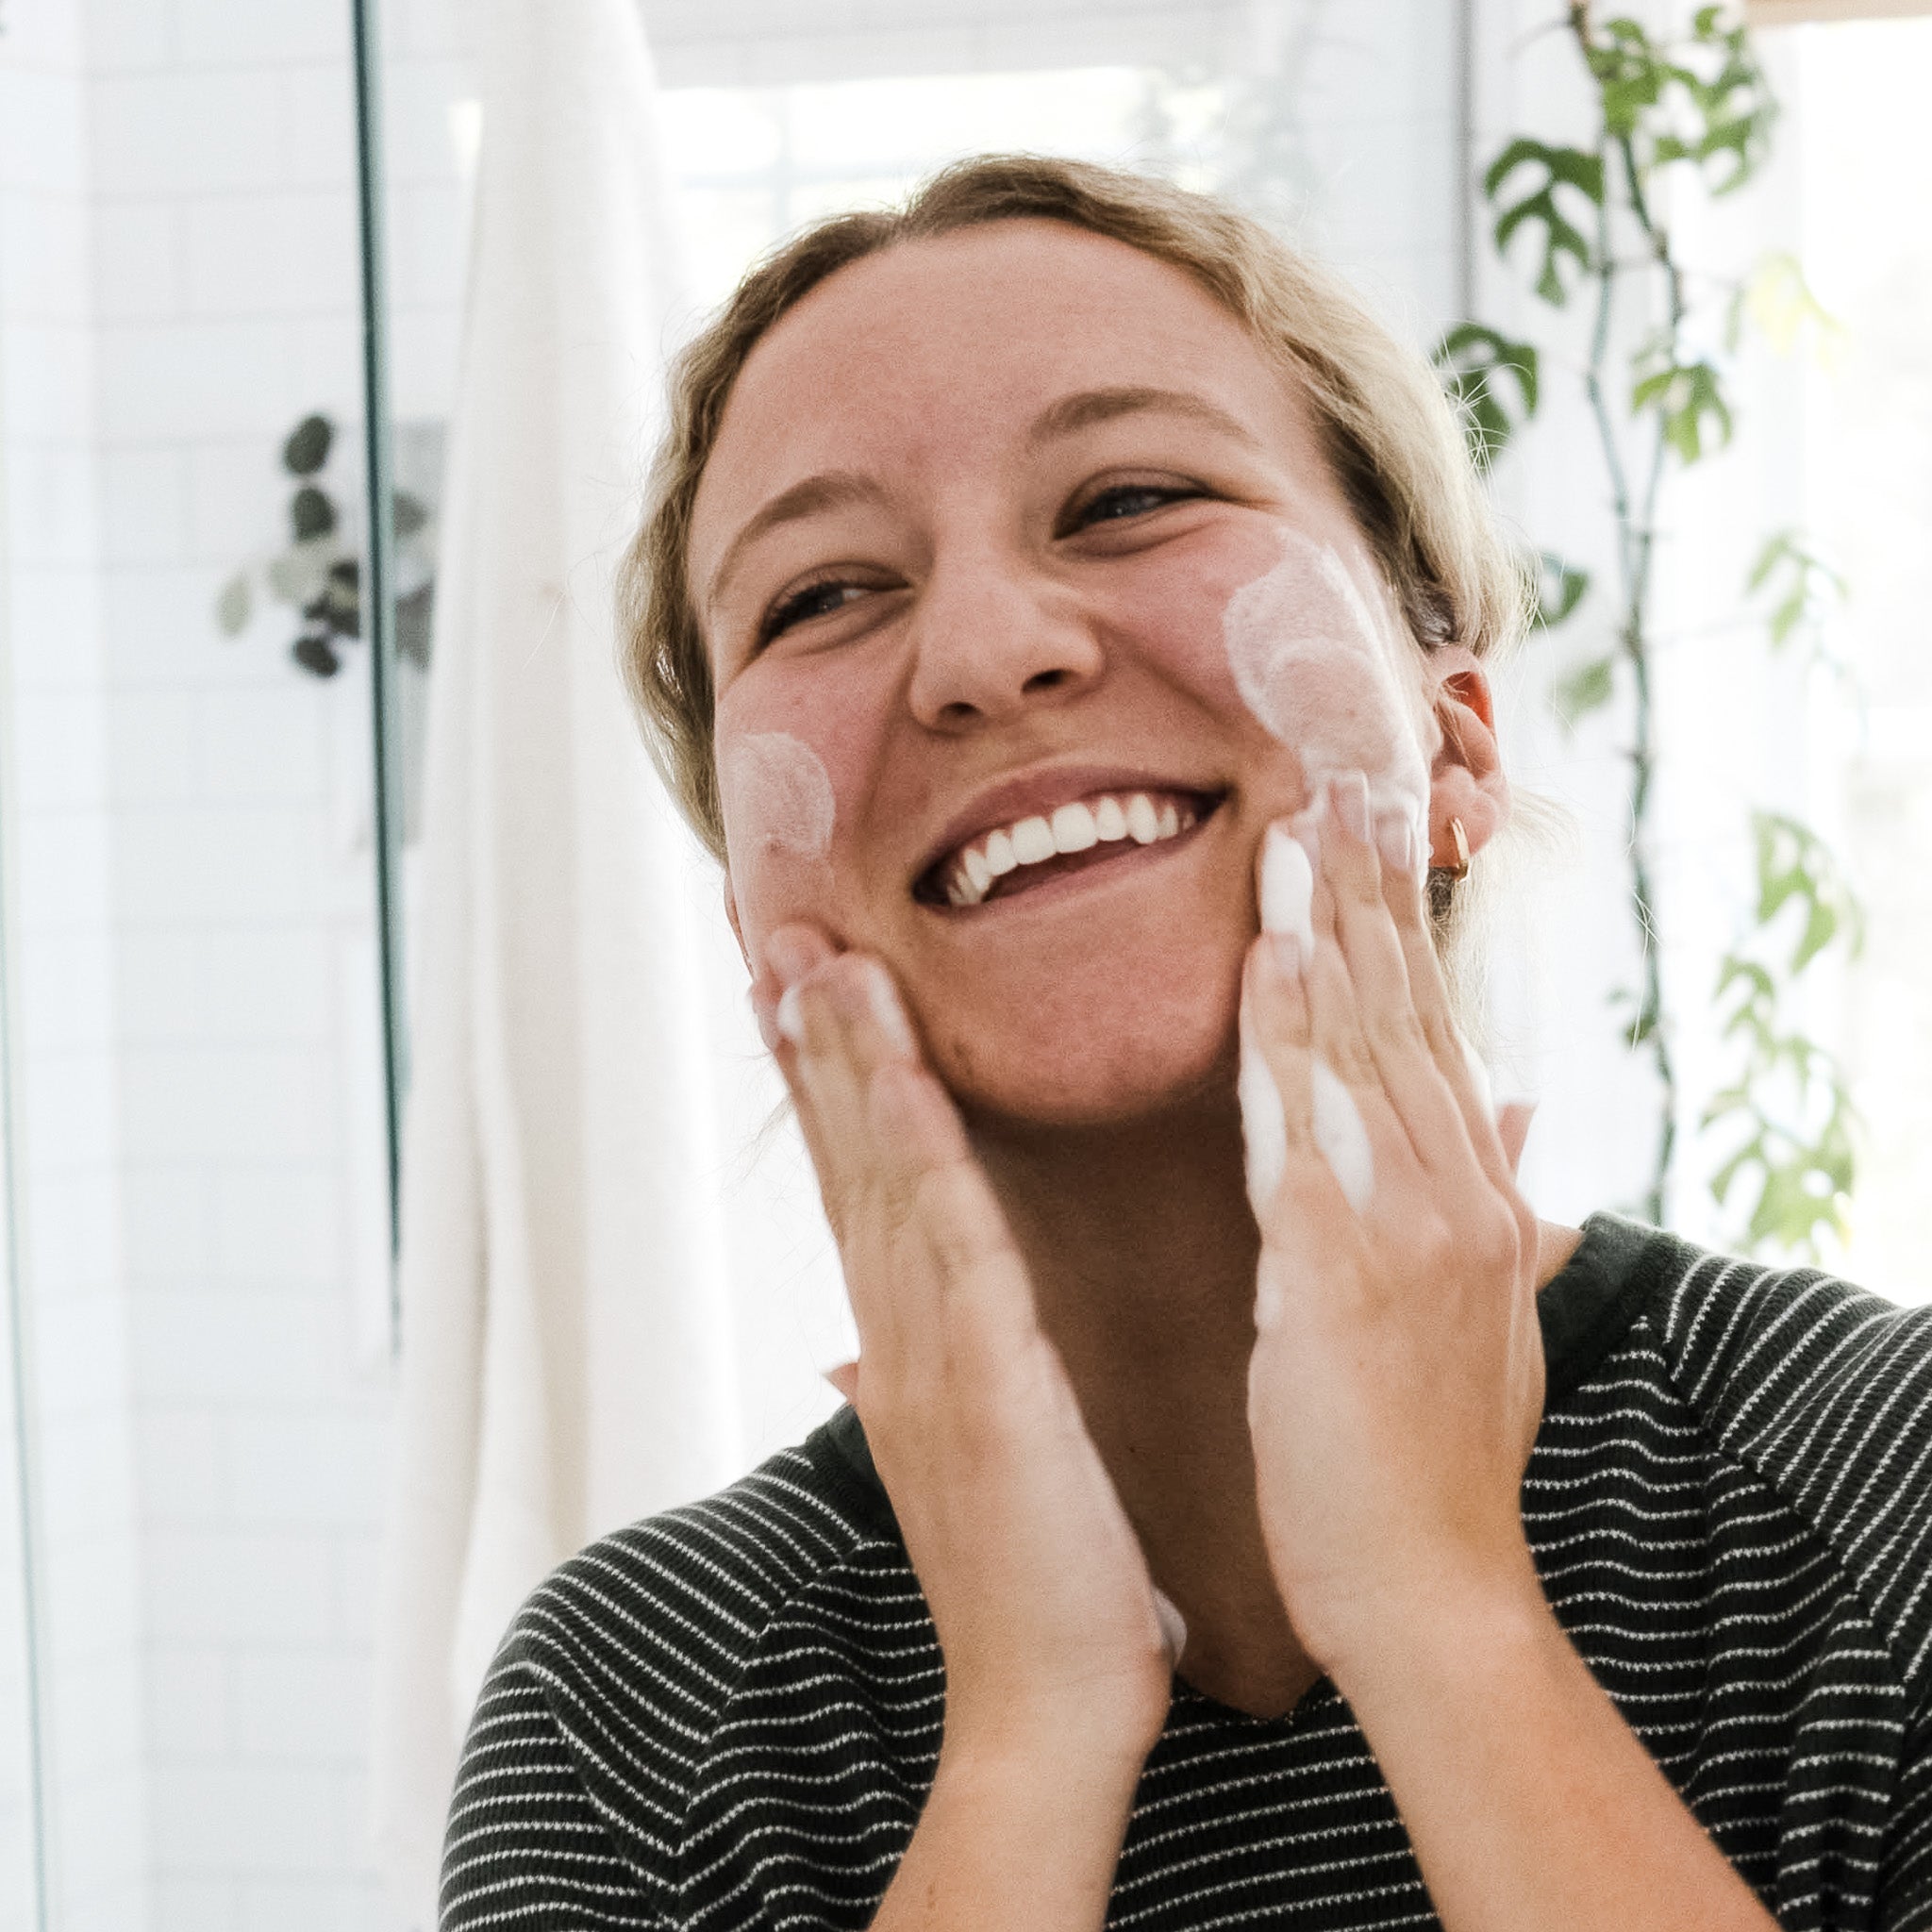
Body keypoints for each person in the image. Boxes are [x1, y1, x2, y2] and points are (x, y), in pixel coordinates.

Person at [437, 156, 1932, 1932]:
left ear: (1457, 746)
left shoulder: (1885, 1500)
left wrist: (1444, 1618)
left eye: (1131, 495)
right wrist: (1029, 1735)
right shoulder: (632, 1718)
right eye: (821, 594)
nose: (984, 652)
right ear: (754, 898)